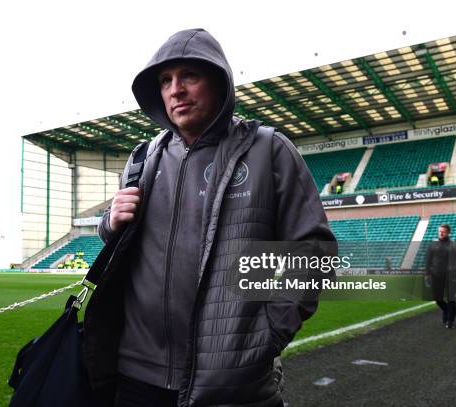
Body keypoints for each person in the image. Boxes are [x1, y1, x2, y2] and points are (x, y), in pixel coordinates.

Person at [85, 28, 336, 406]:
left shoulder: (267, 150)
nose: (175, 90)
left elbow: (312, 251)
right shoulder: (141, 159)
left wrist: (266, 336)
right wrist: (110, 223)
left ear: (219, 81)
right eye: (166, 80)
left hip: (229, 380)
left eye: (190, 76)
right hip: (136, 375)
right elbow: (125, 246)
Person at [425, 223, 456, 329]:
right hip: (436, 276)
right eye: (439, 231)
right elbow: (428, 260)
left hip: (450, 276)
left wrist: (453, 267)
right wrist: (427, 274)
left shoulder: (454, 245)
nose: (441, 233)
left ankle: (450, 320)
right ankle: (446, 310)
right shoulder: (433, 245)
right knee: (437, 298)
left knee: (450, 298)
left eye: (443, 231)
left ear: (448, 232)